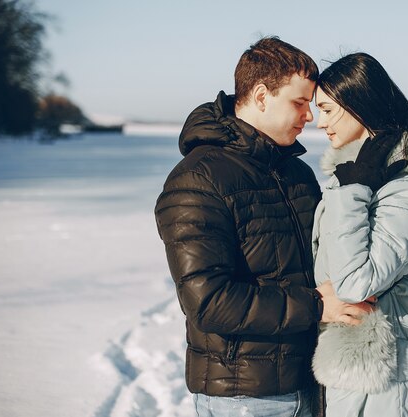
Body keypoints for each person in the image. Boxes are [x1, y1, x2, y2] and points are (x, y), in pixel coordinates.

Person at [154, 37, 372, 417]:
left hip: (310, 382)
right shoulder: (198, 178)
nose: (310, 117)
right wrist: (319, 305)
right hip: (246, 396)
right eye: (299, 103)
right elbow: (209, 302)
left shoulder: (296, 173)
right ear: (260, 96)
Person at [311, 52, 408, 417]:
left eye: (328, 109)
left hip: (388, 376)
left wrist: (353, 189)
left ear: (360, 106)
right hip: (355, 369)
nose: (320, 123)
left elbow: (354, 284)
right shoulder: (364, 178)